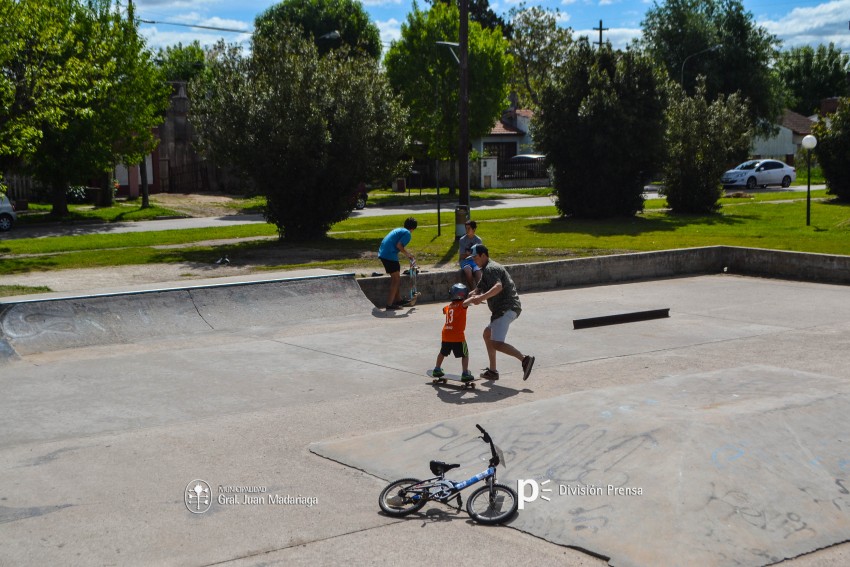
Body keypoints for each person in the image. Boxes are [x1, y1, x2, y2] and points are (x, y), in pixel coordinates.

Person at [463, 244, 535, 381]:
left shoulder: (491, 269)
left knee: (496, 343)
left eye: (476, 257)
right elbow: (478, 289)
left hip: (506, 308)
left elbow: (498, 287)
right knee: (487, 334)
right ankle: (493, 371)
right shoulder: (486, 270)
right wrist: (468, 296)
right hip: (504, 309)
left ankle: (525, 359)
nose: (474, 261)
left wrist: (480, 298)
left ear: (483, 255)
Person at [432, 283, 474, 382]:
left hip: (446, 334)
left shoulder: (448, 306)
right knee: (465, 354)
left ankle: (437, 369)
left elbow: (443, 310)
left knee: (443, 352)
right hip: (457, 335)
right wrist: (474, 297)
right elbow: (467, 302)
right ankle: (465, 373)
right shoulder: (462, 305)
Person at [378, 217, 417, 310]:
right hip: (389, 255)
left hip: (384, 253)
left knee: (396, 278)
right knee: (396, 279)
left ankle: (398, 300)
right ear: (413, 228)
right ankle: (389, 304)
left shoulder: (399, 229)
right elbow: (399, 245)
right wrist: (409, 255)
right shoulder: (407, 233)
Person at [458, 220, 483, 289]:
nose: (467, 230)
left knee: (479, 273)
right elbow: (462, 256)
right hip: (465, 261)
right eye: (466, 228)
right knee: (468, 271)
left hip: (475, 262)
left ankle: (479, 292)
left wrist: (469, 254)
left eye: (469, 228)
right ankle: (472, 290)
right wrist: (472, 254)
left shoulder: (478, 240)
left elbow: (480, 255)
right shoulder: (462, 240)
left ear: (474, 229)